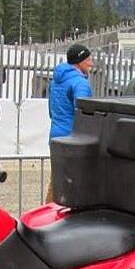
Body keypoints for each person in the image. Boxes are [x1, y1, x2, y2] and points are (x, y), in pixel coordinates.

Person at [47, 43, 94, 202]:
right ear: (79, 62)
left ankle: (48, 210)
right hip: (73, 138)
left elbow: (51, 111)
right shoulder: (80, 83)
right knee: (75, 182)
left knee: (56, 180)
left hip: (55, 135)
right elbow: (83, 114)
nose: (91, 63)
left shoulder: (55, 80)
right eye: (88, 60)